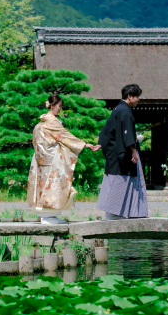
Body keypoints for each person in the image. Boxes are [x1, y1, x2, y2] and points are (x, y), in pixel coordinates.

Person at [27, 93, 101, 224]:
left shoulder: (40, 123)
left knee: (45, 188)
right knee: (53, 188)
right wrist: (84, 144)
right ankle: (48, 217)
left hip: (42, 160)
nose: (60, 109)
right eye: (59, 106)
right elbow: (65, 137)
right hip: (52, 160)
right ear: (53, 105)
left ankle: (46, 216)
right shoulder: (52, 122)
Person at [97, 84, 149, 220]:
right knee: (122, 182)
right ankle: (116, 213)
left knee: (116, 181)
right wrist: (133, 150)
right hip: (123, 153)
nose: (139, 99)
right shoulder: (125, 111)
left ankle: (116, 213)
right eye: (137, 96)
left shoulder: (117, 109)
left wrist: (102, 146)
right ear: (129, 96)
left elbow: (104, 132)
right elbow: (128, 133)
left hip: (114, 153)